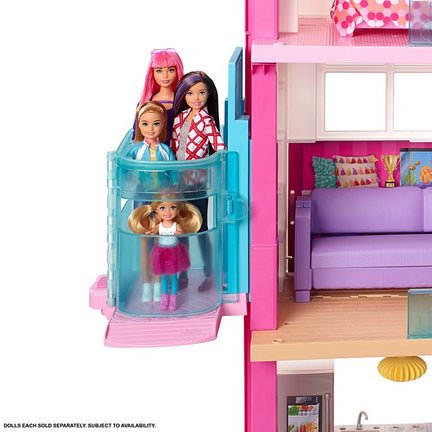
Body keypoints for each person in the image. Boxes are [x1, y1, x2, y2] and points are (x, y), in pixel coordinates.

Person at [171, 71, 226, 292]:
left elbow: (219, 147)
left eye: (201, 93)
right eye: (191, 93)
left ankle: (209, 273)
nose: (196, 98)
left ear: (208, 94)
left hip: (197, 182)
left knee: (200, 228)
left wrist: (213, 165)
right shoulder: (179, 118)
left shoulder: (206, 120)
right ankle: (182, 272)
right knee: (180, 228)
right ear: (183, 95)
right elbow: (173, 146)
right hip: (177, 182)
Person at [126, 101, 176, 304]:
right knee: (144, 242)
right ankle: (146, 282)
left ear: (162, 124)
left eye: (156, 123)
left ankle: (158, 283)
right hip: (142, 200)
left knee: (159, 244)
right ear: (139, 125)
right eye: (145, 124)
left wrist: (171, 192)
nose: (151, 128)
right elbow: (127, 171)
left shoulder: (165, 151)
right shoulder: (136, 150)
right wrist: (134, 180)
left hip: (161, 202)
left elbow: (174, 174)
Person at [128, 199, 202, 311]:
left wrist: (179, 232)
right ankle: (149, 287)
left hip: (172, 250)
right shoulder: (159, 224)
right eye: (163, 208)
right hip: (162, 250)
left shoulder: (175, 224)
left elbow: (180, 232)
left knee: (170, 274)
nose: (168, 211)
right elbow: (152, 232)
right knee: (146, 245)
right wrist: (151, 232)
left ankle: (166, 293)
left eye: (172, 208)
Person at [136, 48, 184, 143]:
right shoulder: (145, 101)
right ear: (152, 73)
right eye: (159, 71)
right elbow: (137, 134)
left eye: (171, 70)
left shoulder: (183, 102)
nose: (165, 75)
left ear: (177, 71)